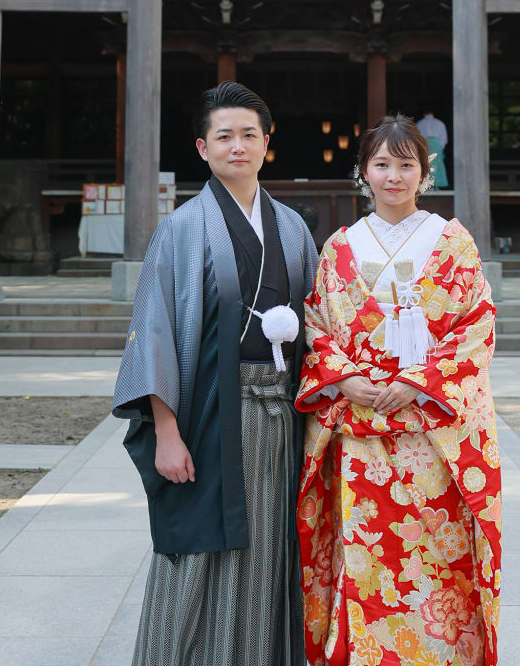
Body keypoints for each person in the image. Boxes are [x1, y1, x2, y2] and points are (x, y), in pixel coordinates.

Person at [112, 82, 318, 666]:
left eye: (249, 134)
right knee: (201, 547)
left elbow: (322, 323)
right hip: (207, 417)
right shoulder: (182, 228)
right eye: (223, 136)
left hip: (282, 417)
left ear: (266, 143)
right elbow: (154, 331)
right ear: (203, 149)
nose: (237, 146)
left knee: (272, 547)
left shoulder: (294, 228)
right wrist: (166, 433)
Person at [296, 114, 501, 666]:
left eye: (406, 165)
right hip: (360, 427)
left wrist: (416, 383)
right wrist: (345, 377)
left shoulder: (452, 241)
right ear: (363, 172)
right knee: (365, 551)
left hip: (428, 432)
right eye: (381, 164)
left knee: (436, 550)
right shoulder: (340, 246)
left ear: (424, 172)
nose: (393, 176)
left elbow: (475, 322)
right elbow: (316, 323)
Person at [416, 110, 450, 188]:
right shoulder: (440, 123)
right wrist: (440, 147)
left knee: (426, 163)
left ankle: (426, 185)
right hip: (436, 144)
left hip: (424, 144)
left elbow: (417, 138)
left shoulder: (420, 123)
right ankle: (436, 185)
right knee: (437, 164)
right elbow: (444, 138)